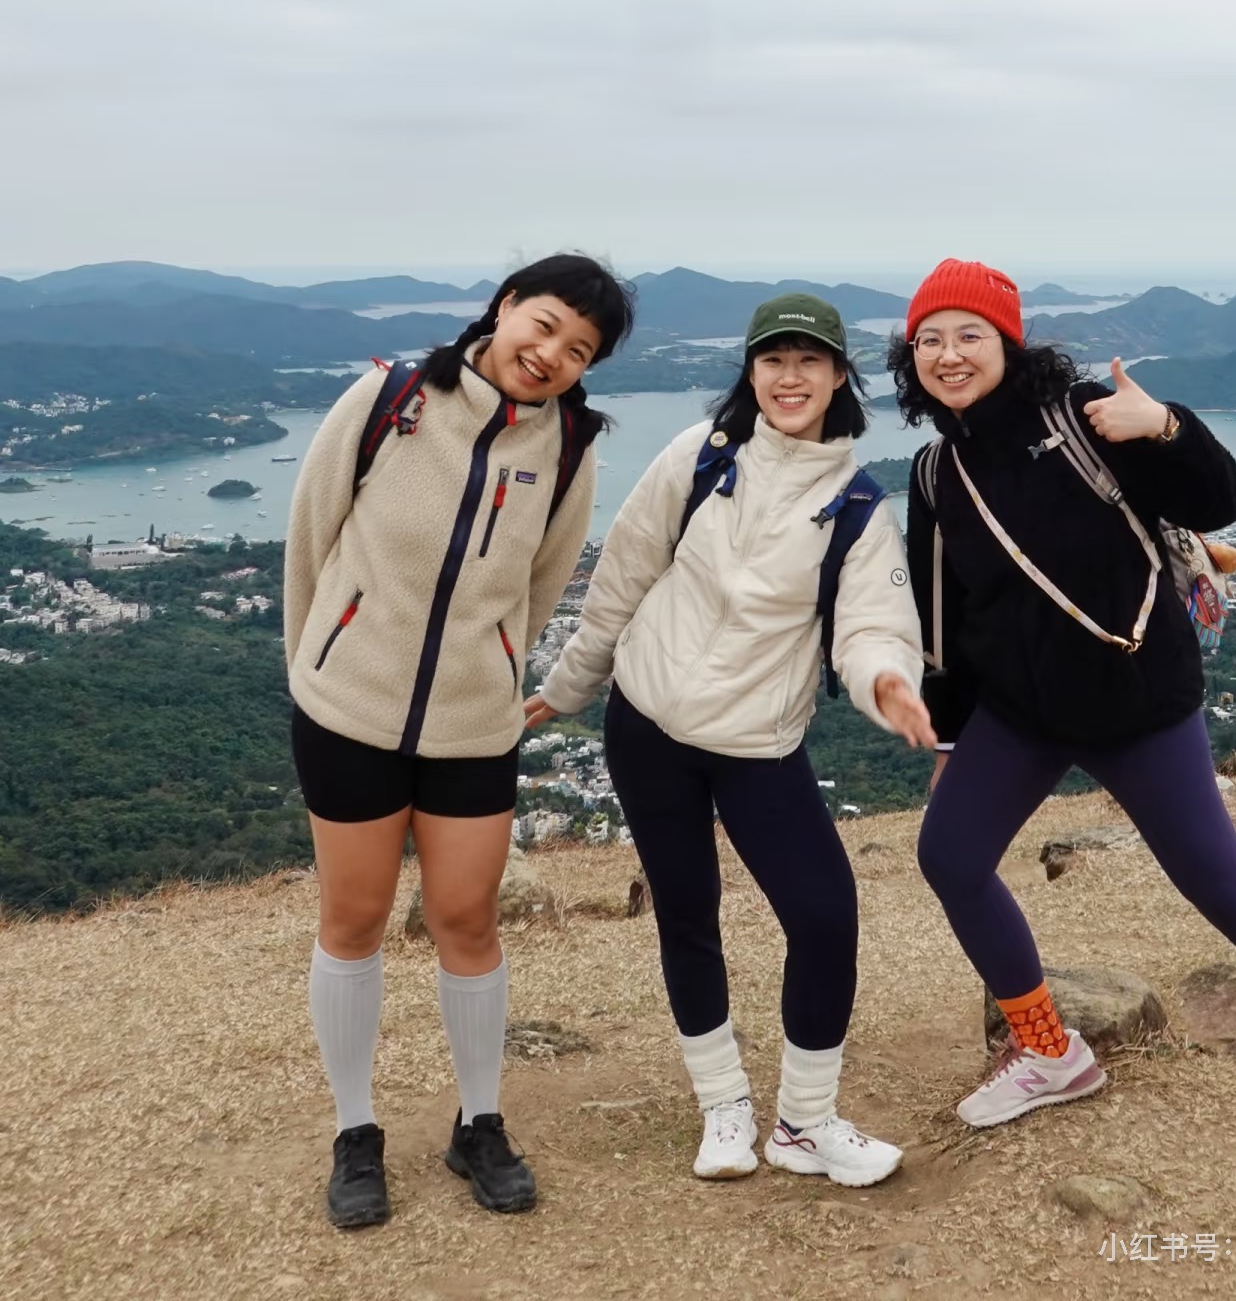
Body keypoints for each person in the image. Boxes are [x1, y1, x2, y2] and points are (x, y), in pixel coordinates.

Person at [892, 259, 1236, 1172]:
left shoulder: (1085, 419)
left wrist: (1166, 426)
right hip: (1021, 713)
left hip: (1139, 706)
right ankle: (1049, 1050)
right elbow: (946, 621)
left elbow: (1216, 499)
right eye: (930, 339)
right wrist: (952, 736)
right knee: (950, 858)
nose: (949, 354)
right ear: (910, 356)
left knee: (1222, 888)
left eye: (970, 335)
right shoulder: (935, 473)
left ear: (1008, 344)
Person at [526, 294, 934, 1188]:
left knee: (824, 918)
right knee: (686, 910)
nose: (790, 377)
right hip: (646, 722)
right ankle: (723, 1105)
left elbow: (872, 627)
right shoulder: (700, 456)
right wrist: (567, 687)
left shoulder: (857, 508)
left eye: (810, 361)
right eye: (773, 360)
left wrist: (886, 683)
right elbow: (622, 578)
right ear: (751, 372)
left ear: (838, 378)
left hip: (756, 743)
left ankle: (805, 1124)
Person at [283, 254, 635, 1227]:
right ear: (506, 306)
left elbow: (543, 582)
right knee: (354, 920)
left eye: (579, 350)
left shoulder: (568, 446)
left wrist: (500, 665)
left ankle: (479, 1121)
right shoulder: (389, 400)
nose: (552, 355)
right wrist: (319, 663)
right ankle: (355, 1131)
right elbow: (310, 539)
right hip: (348, 710)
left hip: (475, 725)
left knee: (468, 920)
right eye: (545, 325)